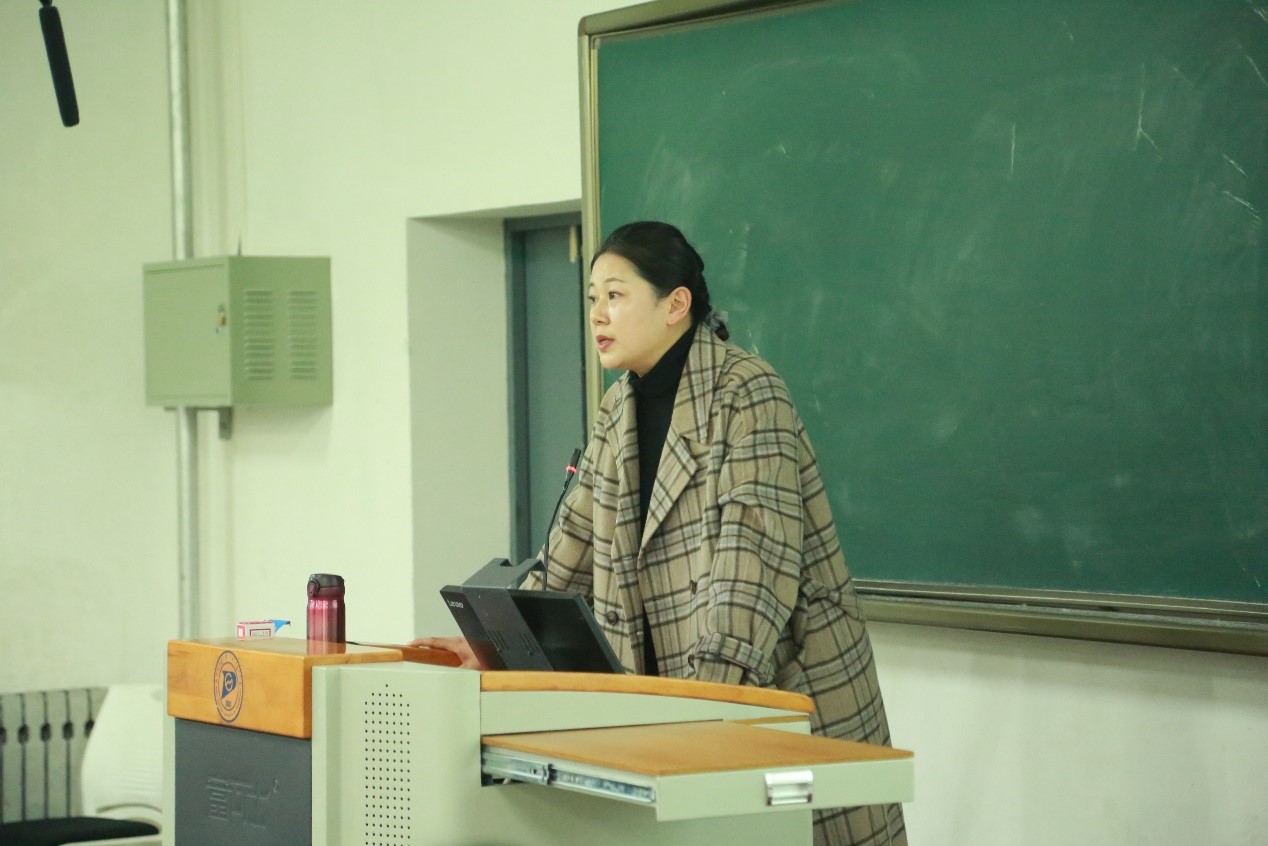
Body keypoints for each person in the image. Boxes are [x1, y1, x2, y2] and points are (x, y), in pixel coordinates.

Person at [414, 221, 906, 846]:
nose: (598, 314)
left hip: (779, 694)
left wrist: (699, 707)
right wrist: (493, 644)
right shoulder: (617, 406)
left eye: (616, 296)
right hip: (674, 714)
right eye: (593, 297)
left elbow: (752, 575)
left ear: (676, 304)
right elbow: (569, 554)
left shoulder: (747, 392)